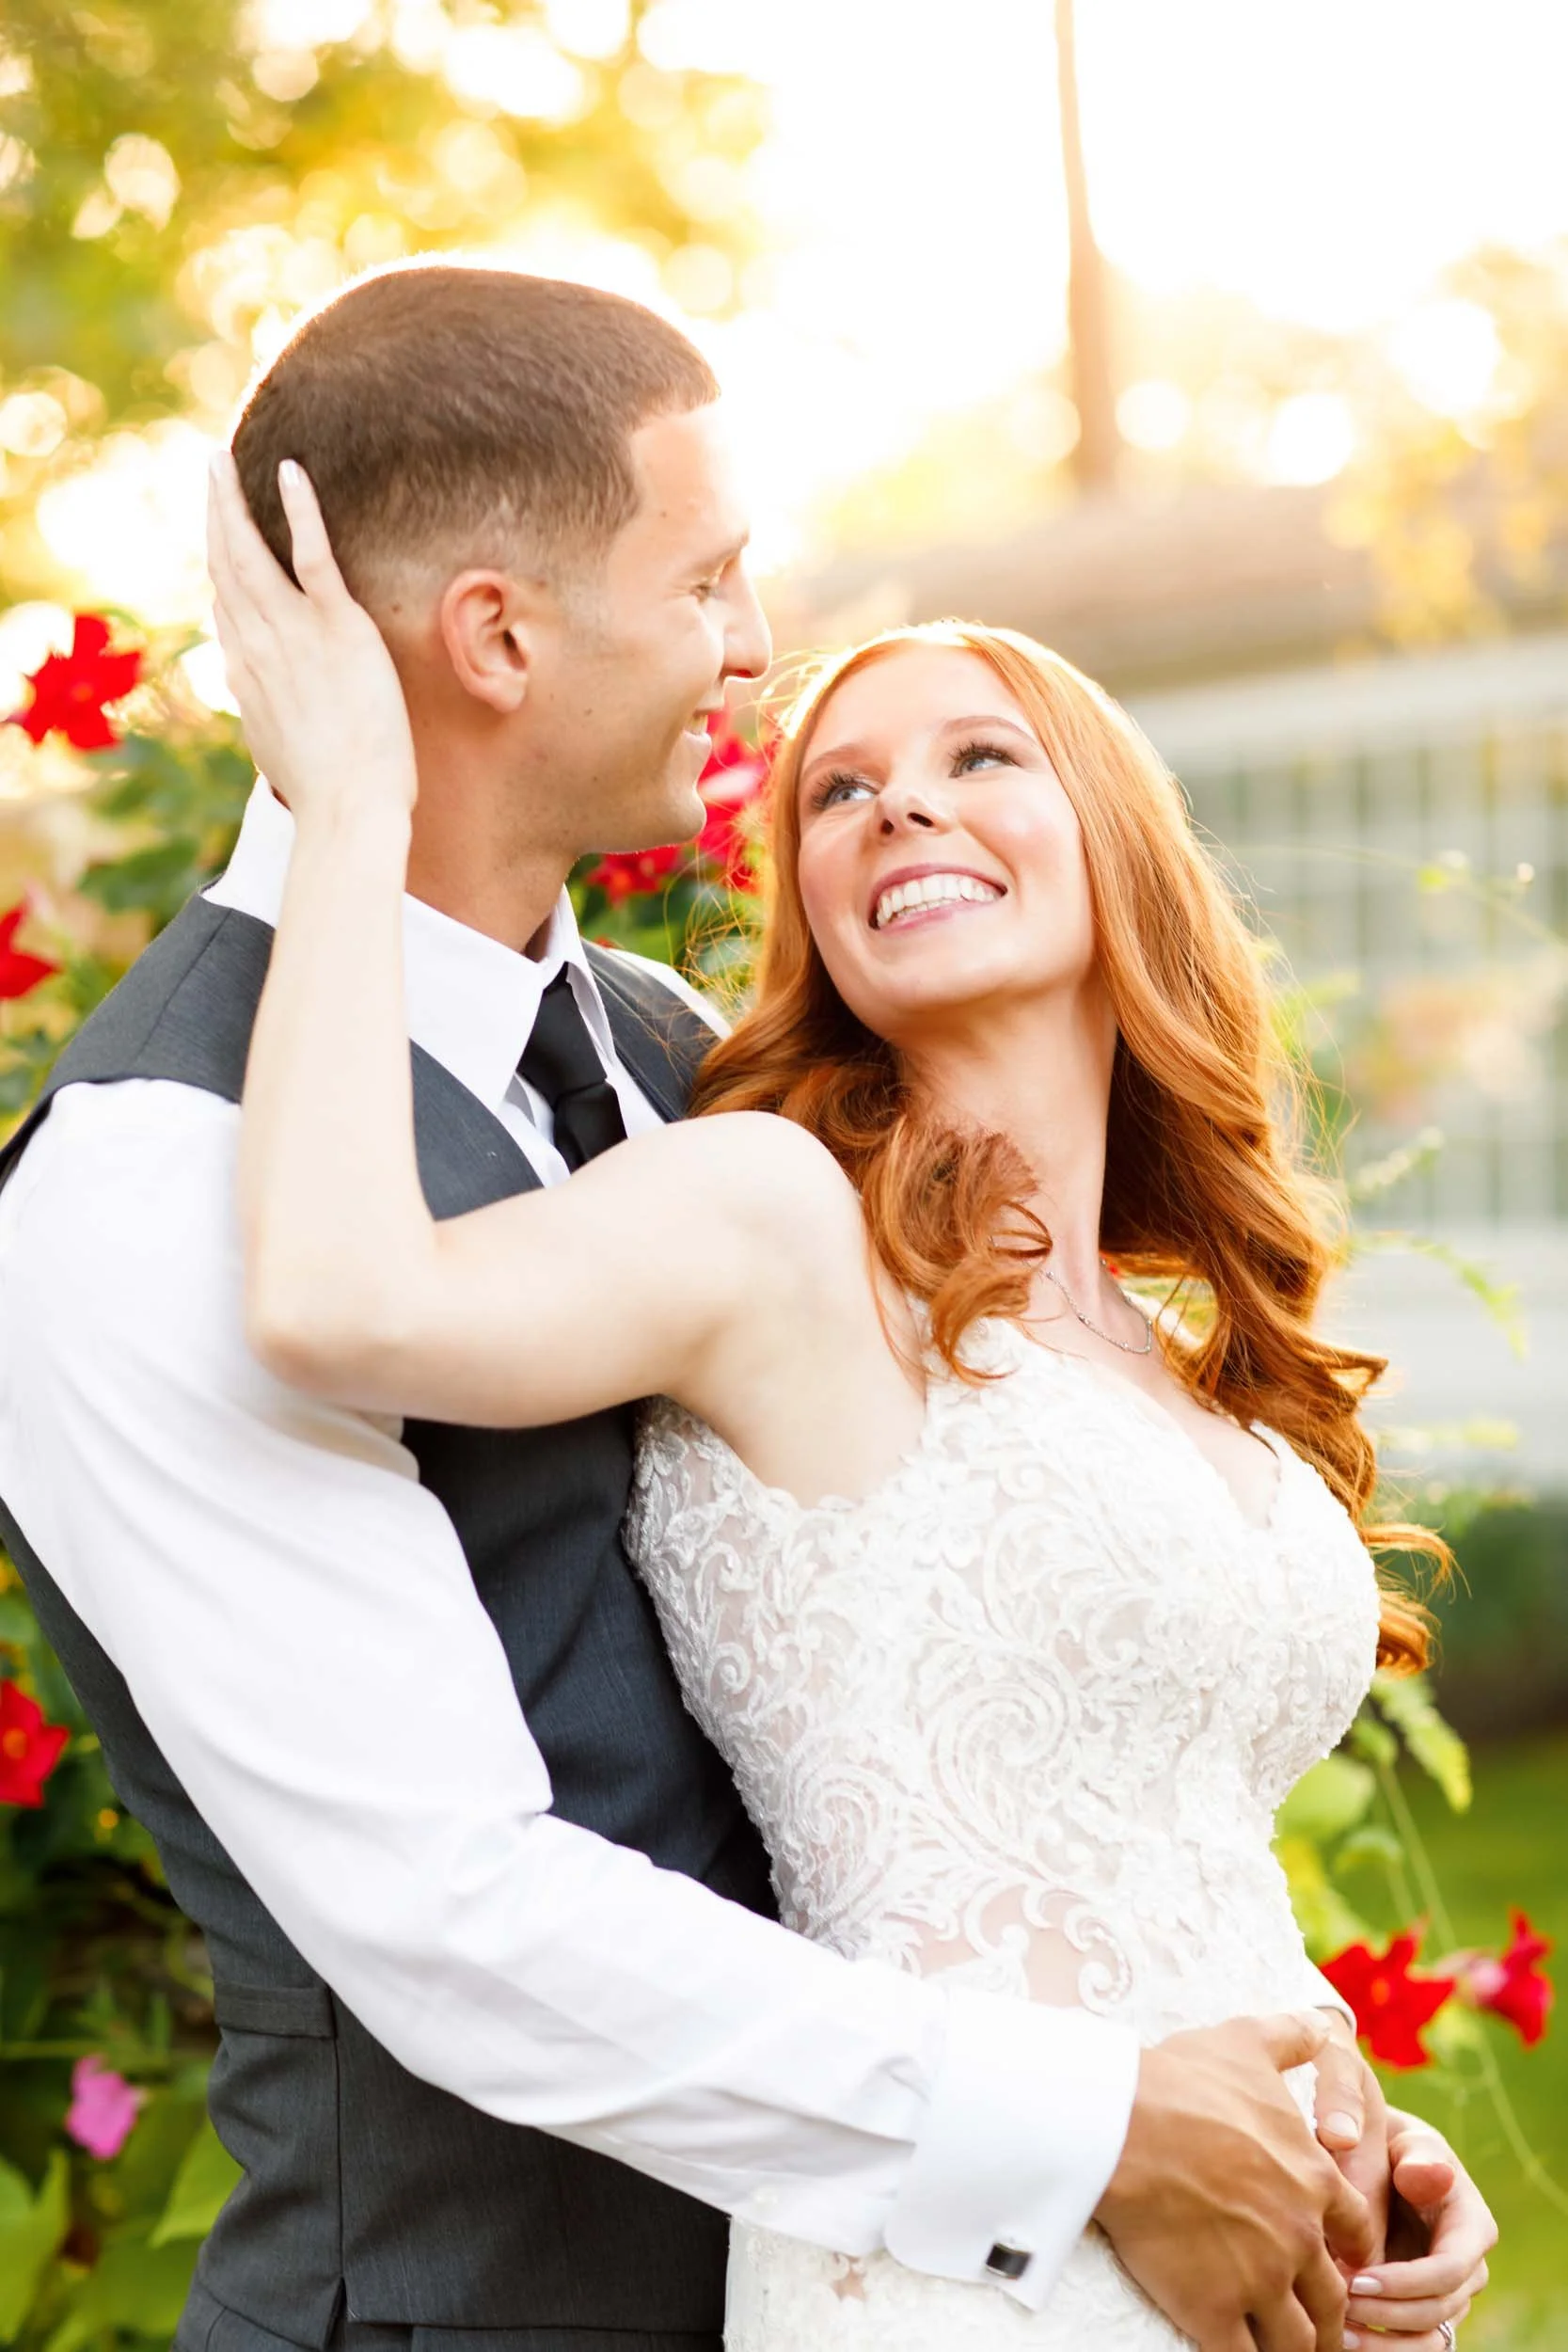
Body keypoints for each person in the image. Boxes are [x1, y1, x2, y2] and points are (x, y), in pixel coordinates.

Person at [0, 264, 1488, 2352]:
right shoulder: (156, 1177)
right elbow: (449, 1913)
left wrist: (1259, 2114)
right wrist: (1082, 2131)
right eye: (707, 577)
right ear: (500, 637)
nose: (757, 648)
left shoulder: (681, 1055)